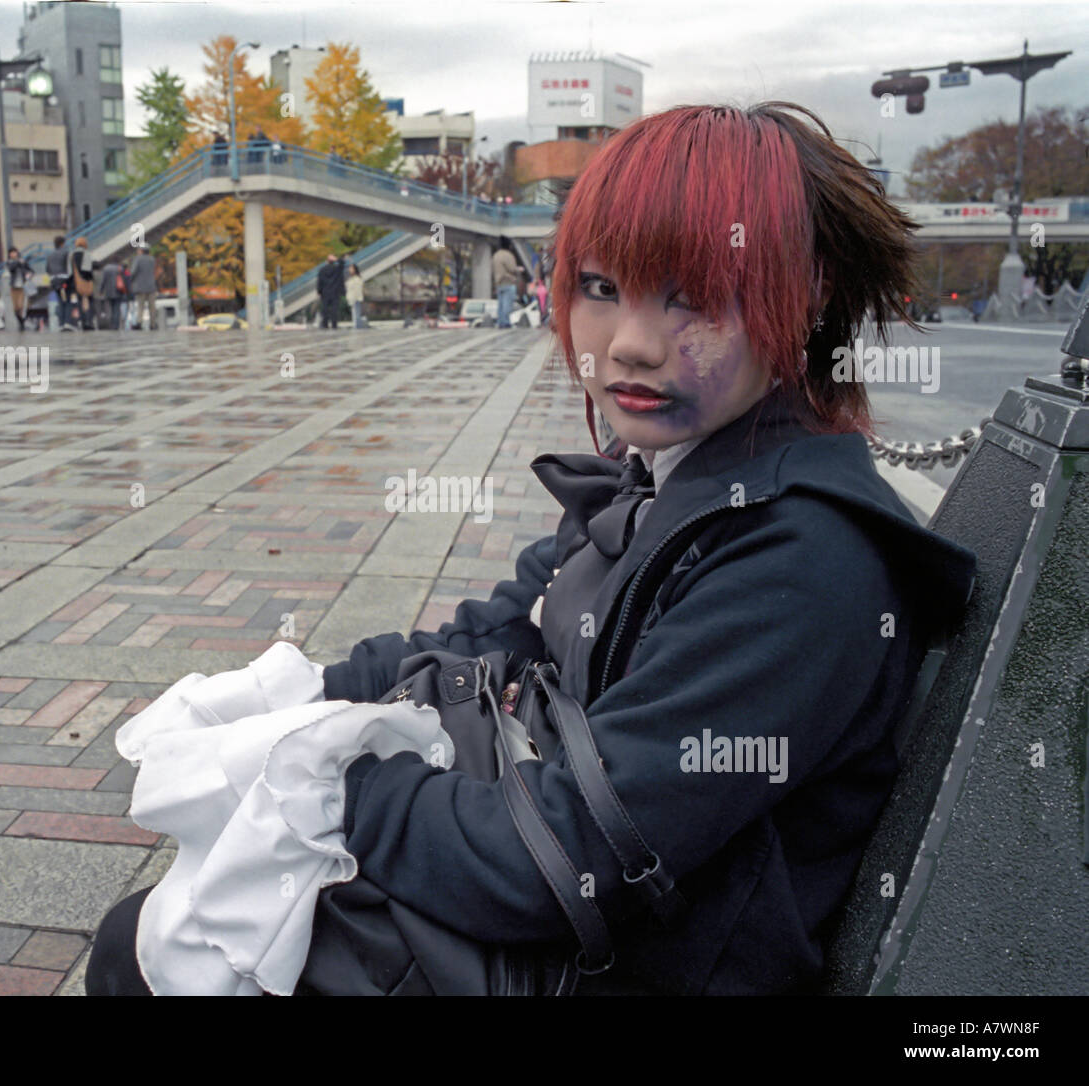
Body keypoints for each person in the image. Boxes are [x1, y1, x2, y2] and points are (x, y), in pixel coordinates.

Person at [86, 101, 978, 997]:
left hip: (629, 961)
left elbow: (575, 855)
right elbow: (512, 624)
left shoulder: (798, 564)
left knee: (150, 954)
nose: (630, 343)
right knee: (166, 936)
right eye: (600, 286)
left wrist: (332, 784)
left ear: (810, 294)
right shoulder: (678, 470)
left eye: (694, 295)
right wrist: (313, 690)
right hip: (585, 915)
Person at [493, 236, 524, 328]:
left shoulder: (496, 255)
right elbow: (512, 268)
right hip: (508, 282)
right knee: (507, 304)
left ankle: (501, 322)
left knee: (501, 304)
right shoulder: (508, 255)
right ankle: (506, 322)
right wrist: (519, 269)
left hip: (498, 283)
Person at [128, 246, 158, 330]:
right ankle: (153, 324)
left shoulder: (138, 259)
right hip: (151, 286)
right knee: (152, 306)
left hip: (140, 286)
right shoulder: (152, 259)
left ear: (141, 251)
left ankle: (139, 322)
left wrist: (131, 281)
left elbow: (133, 272)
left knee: (140, 306)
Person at [46, 235, 71, 330]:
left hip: (54, 280)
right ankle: (67, 322)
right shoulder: (66, 253)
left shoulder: (50, 255)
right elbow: (69, 267)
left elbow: (47, 269)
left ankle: (61, 323)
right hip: (64, 279)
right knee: (67, 301)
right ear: (62, 243)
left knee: (60, 301)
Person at [70, 237, 95, 330]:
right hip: (85, 281)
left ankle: (81, 321)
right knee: (88, 302)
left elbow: (70, 270)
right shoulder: (86, 253)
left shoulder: (72, 254)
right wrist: (89, 280)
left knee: (78, 302)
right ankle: (88, 322)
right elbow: (87, 270)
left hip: (75, 283)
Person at [315, 253, 345, 329]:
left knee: (325, 308)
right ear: (333, 261)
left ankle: (325, 324)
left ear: (326, 261)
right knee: (334, 309)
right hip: (335, 292)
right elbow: (342, 263)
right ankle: (334, 324)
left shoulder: (322, 270)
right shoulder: (337, 269)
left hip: (325, 292)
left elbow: (320, 281)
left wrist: (319, 291)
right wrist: (336, 259)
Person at [6, 247, 32, 331]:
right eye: (11, 253)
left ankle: (22, 324)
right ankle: (21, 322)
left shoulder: (23, 262)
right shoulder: (9, 262)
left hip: (22, 286)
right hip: (13, 287)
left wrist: (29, 275)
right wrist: (18, 261)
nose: (13, 254)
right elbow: (11, 268)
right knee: (16, 308)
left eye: (14, 252)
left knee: (21, 306)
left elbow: (31, 270)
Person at [98, 257, 123, 330]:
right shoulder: (120, 268)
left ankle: (111, 324)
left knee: (110, 309)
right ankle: (116, 325)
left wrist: (101, 290)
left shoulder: (106, 268)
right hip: (118, 290)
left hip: (109, 291)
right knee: (117, 309)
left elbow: (103, 280)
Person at [344, 262, 366, 328]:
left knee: (356, 313)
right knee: (355, 313)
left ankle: (357, 325)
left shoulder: (357, 279)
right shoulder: (350, 278)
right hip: (352, 298)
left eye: (351, 268)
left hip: (356, 298)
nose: (349, 270)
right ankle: (357, 325)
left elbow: (358, 289)